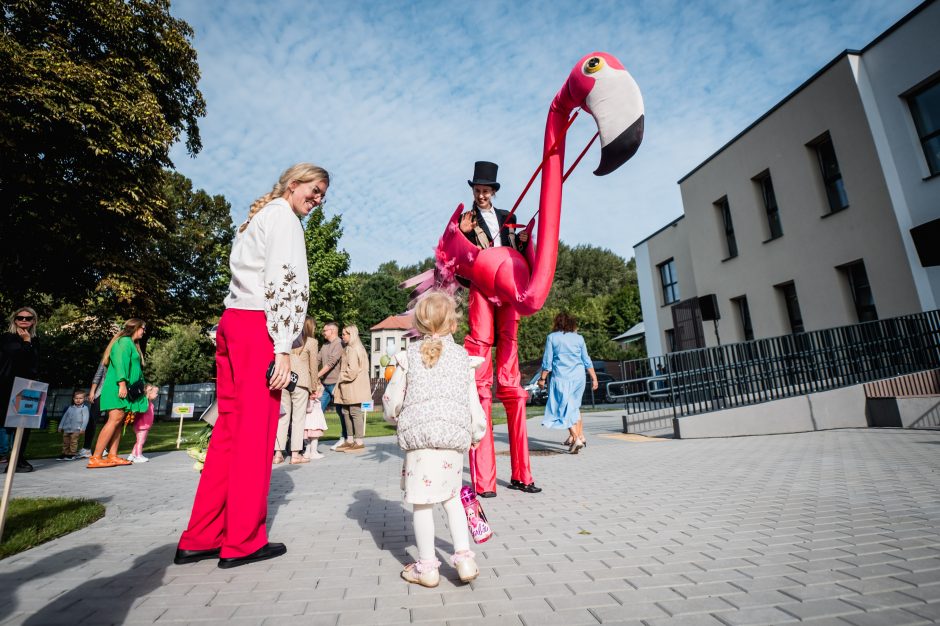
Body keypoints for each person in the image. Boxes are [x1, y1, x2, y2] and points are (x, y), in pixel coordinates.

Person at [176, 163, 327, 569]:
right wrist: (282, 346)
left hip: (232, 323)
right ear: (293, 185)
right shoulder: (285, 220)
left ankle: (200, 536)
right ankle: (242, 541)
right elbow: (286, 284)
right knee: (254, 437)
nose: (317, 200)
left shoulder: (255, 218)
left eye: (322, 196)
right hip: (258, 328)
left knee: (227, 432)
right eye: (313, 191)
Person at [382, 290, 486, 588]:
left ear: (419, 324)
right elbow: (472, 403)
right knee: (452, 499)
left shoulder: (408, 356)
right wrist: (476, 432)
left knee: (422, 504)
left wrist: (395, 418)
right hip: (452, 442)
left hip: (420, 444)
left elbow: (392, 400)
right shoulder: (463, 359)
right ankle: (464, 558)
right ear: (453, 325)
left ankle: (427, 567)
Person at [459, 161, 539, 497]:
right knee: (480, 361)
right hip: (481, 288)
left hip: (507, 289)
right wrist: (461, 233)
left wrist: (521, 240)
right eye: (477, 190)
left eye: (485, 190)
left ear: (493, 191)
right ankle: (485, 481)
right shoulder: (467, 220)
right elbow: (457, 257)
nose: (481, 195)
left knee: (510, 369)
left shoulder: (508, 216)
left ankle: (522, 475)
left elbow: (519, 252)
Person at [87, 318, 149, 468]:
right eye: (143, 328)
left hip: (126, 389)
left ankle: (112, 455)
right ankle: (95, 457)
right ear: (135, 328)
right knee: (114, 420)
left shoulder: (132, 344)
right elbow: (120, 364)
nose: (144, 331)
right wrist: (122, 384)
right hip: (117, 387)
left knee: (119, 421)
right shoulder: (124, 342)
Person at [538, 312, 598, 454]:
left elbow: (548, 361)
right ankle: (579, 436)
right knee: (573, 406)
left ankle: (576, 438)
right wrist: (594, 378)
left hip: (561, 378)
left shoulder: (552, 338)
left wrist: (542, 378)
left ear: (557, 323)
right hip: (579, 378)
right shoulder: (579, 338)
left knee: (563, 407)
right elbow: (586, 359)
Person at [275, 316, 320, 465]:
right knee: (298, 419)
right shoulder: (312, 342)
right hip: (301, 383)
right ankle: (295, 455)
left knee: (282, 418)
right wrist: (314, 387)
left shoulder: (285, 341)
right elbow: (313, 367)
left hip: (284, 380)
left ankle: (278, 454)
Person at [2, 307, 41, 473]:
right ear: (14, 320)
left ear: (33, 321)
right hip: (6, 385)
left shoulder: (35, 339)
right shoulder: (7, 338)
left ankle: (18, 458)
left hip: (28, 386)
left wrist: (29, 341)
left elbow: (33, 363)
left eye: (28, 318)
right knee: (5, 423)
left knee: (24, 423)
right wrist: (25, 342)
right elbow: (18, 357)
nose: (24, 320)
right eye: (20, 317)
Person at [333, 325, 371, 452]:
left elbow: (352, 371)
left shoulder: (353, 349)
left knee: (354, 412)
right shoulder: (352, 348)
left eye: (345, 334)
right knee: (346, 412)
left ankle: (358, 441)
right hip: (350, 386)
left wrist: (341, 378)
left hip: (353, 386)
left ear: (352, 334)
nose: (342, 336)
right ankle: (350, 440)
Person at [317, 322, 345, 450]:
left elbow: (331, 363)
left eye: (325, 330)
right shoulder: (325, 345)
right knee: (317, 411)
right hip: (325, 384)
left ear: (332, 331)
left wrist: (316, 375)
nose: (323, 333)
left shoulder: (339, 343)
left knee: (341, 411)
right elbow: (317, 360)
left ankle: (344, 437)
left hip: (335, 384)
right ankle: (311, 440)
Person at [79, 361, 108, 458]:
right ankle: (86, 448)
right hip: (101, 392)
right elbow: (97, 376)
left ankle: (103, 448)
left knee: (109, 422)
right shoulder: (106, 359)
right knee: (92, 419)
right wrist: (92, 392)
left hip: (114, 395)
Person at [128, 384, 158, 463]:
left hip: (144, 426)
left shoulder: (149, 403)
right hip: (142, 426)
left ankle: (132, 455)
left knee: (139, 441)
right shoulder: (144, 402)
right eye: (155, 393)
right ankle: (138, 456)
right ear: (149, 393)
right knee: (141, 442)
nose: (157, 394)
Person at [57, 390, 89, 461]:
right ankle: (65, 453)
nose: (78, 400)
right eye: (76, 398)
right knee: (66, 442)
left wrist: (83, 428)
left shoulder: (84, 408)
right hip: (67, 428)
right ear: (73, 399)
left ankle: (72, 454)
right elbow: (64, 417)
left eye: (80, 398)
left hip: (76, 429)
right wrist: (60, 426)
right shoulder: (70, 408)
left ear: (84, 399)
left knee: (73, 442)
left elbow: (85, 419)